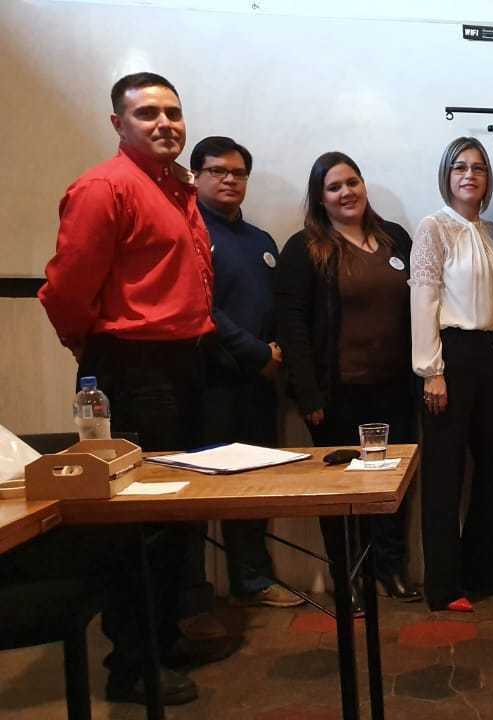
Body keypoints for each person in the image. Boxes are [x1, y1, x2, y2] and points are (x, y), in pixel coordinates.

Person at [36, 71, 228, 704]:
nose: (164, 123)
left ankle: (163, 638)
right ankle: (132, 666)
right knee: (138, 519)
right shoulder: (104, 188)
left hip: (184, 365)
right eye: (147, 114)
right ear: (118, 124)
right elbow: (66, 290)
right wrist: (93, 351)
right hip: (133, 369)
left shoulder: (176, 189)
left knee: (177, 513)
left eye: (173, 111)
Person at [276, 151, 421, 612]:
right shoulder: (304, 248)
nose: (346, 193)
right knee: (341, 491)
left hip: (395, 388)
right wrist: (308, 393)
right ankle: (349, 577)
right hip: (336, 394)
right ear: (320, 198)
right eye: (334, 187)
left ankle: (389, 568)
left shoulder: (395, 238)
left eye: (352, 182)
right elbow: (293, 326)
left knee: (392, 484)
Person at [410, 137, 493, 613]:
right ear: (447, 174)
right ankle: (444, 585)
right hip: (451, 356)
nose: (469, 175)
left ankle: (491, 569)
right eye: (460, 167)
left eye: (478, 168)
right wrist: (431, 371)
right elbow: (424, 300)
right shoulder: (434, 228)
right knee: (445, 473)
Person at [192, 135, 302, 609]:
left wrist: (274, 354)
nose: (229, 180)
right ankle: (192, 595)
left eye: (238, 173)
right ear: (195, 175)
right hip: (209, 383)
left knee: (255, 482)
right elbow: (201, 308)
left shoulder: (261, 241)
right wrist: (257, 352)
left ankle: (253, 580)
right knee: (201, 490)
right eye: (217, 171)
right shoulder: (189, 231)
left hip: (259, 383)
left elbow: (277, 308)